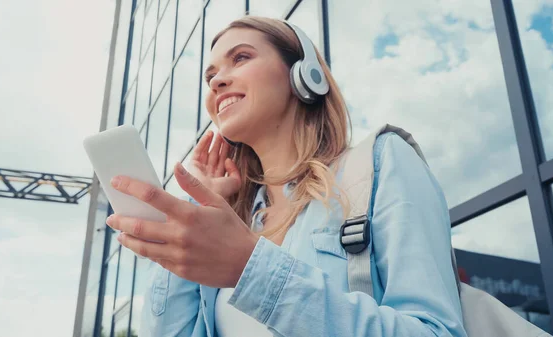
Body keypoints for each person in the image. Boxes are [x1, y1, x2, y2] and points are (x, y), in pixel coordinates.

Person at [105, 16, 467, 337]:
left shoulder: (382, 163)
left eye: (241, 57)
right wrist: (197, 212)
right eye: (210, 75)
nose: (216, 82)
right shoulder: (234, 221)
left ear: (303, 75)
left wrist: (251, 269)